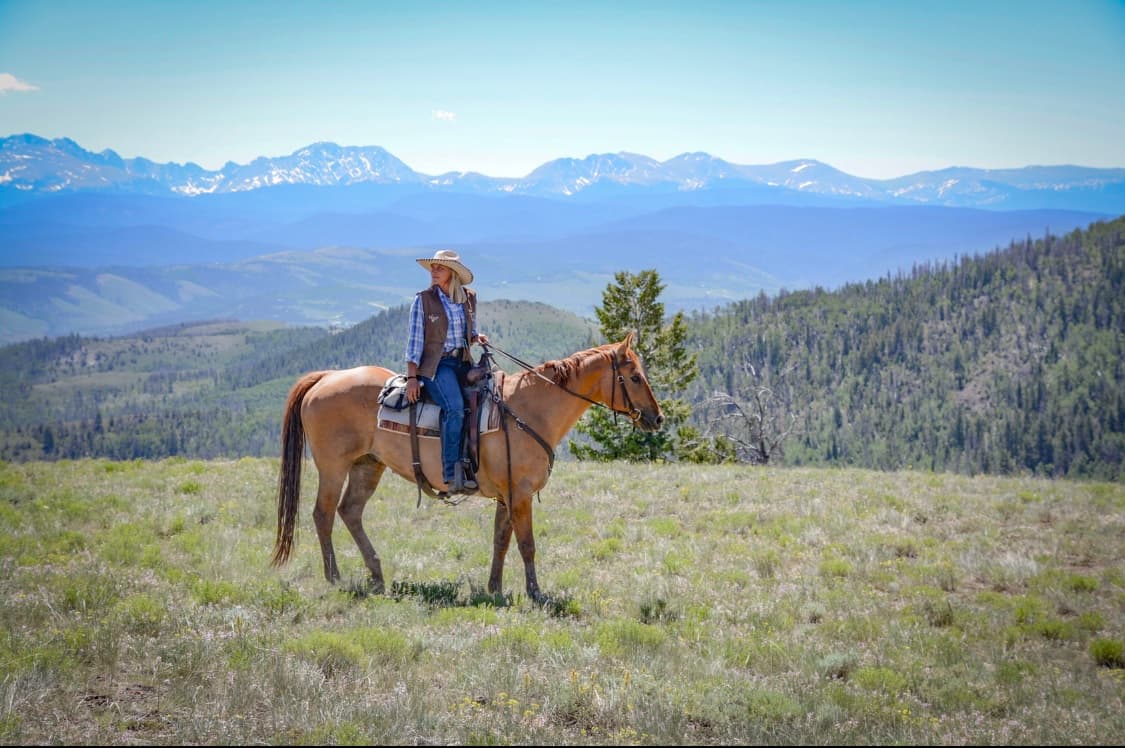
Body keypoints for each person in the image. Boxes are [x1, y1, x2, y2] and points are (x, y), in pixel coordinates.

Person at [404, 249, 490, 493]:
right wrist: (412, 377)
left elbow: (467, 331)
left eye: (439, 268)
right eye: (433, 267)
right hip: (437, 366)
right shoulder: (424, 300)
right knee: (454, 408)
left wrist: (476, 337)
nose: (434, 271)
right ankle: (451, 472)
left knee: (489, 399)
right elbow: (414, 342)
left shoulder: (468, 298)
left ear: (452, 273)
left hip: (462, 361)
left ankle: (480, 462)